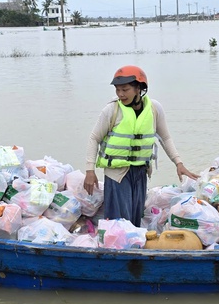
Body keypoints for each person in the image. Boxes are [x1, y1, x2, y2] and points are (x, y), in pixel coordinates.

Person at [83, 65, 198, 227]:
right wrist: (90, 170)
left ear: (139, 88)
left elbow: (165, 137)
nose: (121, 94)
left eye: (125, 89)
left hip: (140, 173)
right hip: (117, 174)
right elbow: (94, 138)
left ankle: (134, 246)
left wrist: (179, 163)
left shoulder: (154, 108)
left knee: (136, 218)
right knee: (119, 222)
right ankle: (119, 249)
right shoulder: (111, 110)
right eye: (118, 90)